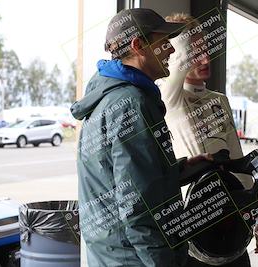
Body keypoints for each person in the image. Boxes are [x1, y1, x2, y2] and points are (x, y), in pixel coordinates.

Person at [71, 8, 211, 266]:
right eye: (164, 42)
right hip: (135, 259)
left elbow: (131, 183)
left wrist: (178, 170)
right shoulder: (130, 103)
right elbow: (137, 208)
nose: (170, 50)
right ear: (138, 46)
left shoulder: (112, 97)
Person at [159, 13, 258, 267]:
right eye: (195, 52)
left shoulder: (219, 100)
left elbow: (241, 166)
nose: (205, 59)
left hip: (232, 226)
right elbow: (177, 62)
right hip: (193, 230)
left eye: (207, 50)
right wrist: (183, 32)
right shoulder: (169, 98)